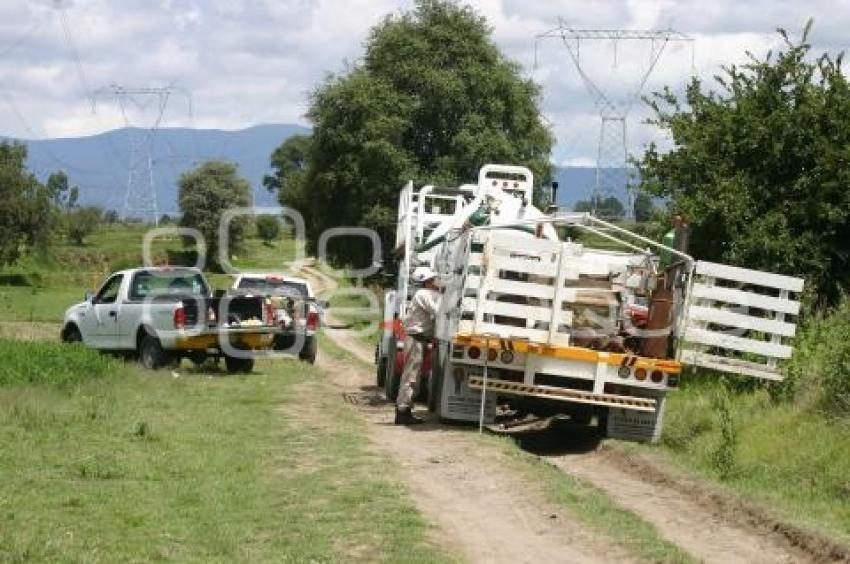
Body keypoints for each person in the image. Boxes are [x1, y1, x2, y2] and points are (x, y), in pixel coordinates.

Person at [395, 266, 441, 425]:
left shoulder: (424, 293)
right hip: (415, 339)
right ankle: (402, 411)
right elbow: (437, 310)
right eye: (432, 279)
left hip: (418, 340)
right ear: (427, 281)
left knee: (413, 377)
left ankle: (405, 411)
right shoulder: (422, 294)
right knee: (410, 377)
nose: (435, 281)